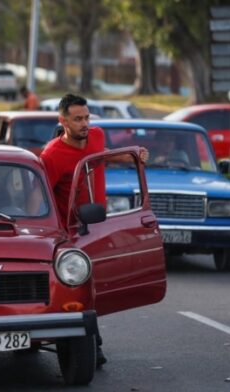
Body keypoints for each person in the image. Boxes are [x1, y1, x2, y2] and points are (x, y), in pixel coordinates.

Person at [39, 93, 149, 368]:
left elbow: (104, 158)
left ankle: (91, 342)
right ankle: (92, 345)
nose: (85, 123)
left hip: (98, 226)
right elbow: (41, 197)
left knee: (97, 287)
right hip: (70, 232)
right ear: (63, 121)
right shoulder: (52, 155)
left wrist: (135, 156)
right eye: (77, 119)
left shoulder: (98, 137)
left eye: (87, 117)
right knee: (80, 288)